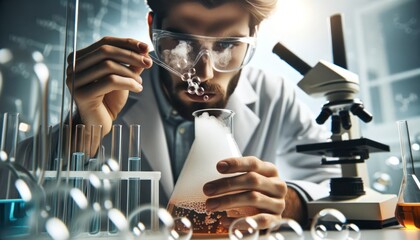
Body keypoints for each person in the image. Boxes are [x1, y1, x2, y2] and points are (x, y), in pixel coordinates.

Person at [66, 0, 340, 230]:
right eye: (181, 45)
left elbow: (335, 181)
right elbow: (35, 199)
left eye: (227, 46)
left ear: (253, 37)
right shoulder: (110, 91)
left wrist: (286, 203)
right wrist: (84, 127)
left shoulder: (274, 94)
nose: (203, 73)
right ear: (152, 29)